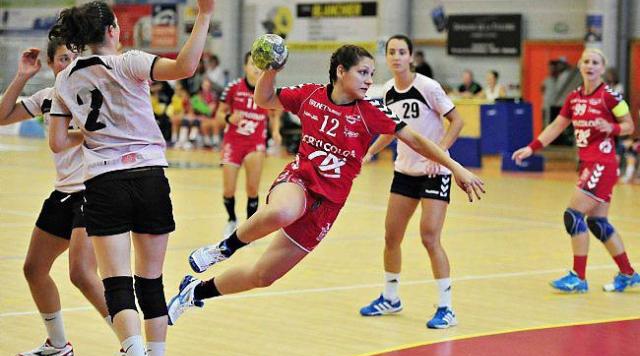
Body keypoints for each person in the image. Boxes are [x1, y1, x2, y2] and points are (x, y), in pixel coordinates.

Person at [166, 44, 485, 326]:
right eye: (363, 72)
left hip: (328, 205)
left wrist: (456, 168)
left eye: (372, 74)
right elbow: (263, 98)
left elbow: (416, 139)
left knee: (263, 276)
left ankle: (195, 291)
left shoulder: (371, 111)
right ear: (340, 71)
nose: (369, 80)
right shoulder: (311, 95)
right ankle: (221, 249)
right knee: (282, 212)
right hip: (299, 182)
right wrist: (271, 71)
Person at [47, 1, 214, 356]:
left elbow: (58, 143)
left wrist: (94, 136)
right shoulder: (129, 62)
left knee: (116, 282)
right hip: (149, 175)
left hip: (104, 181)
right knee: (150, 282)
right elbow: (185, 66)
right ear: (112, 31)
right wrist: (205, 14)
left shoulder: (64, 78)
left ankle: (133, 353)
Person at [0, 39, 115, 356]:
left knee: (81, 273)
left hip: (94, 190)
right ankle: (58, 345)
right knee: (34, 269)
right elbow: (1, 116)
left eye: (76, 57)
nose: (71, 63)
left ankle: (135, 346)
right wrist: (23, 75)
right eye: (63, 58)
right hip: (64, 192)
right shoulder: (47, 97)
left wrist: (71, 135)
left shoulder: (96, 94)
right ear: (51, 64)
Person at [358, 34, 465, 329]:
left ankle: (446, 308)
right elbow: (392, 131)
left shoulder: (428, 87)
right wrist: (370, 152)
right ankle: (391, 297)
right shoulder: (388, 90)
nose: (396, 57)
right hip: (404, 172)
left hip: (434, 172)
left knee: (429, 236)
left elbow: (457, 121)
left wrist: (439, 153)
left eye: (401, 52)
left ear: (411, 57)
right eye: (391, 52)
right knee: (391, 236)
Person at [512, 48, 640, 294]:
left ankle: (578, 277)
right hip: (589, 163)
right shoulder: (574, 98)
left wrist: (610, 127)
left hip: (602, 164)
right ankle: (628, 274)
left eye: (595, 62)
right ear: (580, 66)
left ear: (602, 68)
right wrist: (532, 148)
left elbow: (629, 126)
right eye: (586, 61)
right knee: (598, 222)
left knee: (573, 215)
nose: (590, 66)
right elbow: (557, 125)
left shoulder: (610, 97)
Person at [216, 51, 281, 237]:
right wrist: (229, 117)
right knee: (228, 189)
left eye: (260, 65)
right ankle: (231, 220)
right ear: (245, 66)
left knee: (252, 188)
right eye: (253, 64)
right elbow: (219, 116)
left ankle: (250, 227)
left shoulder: (269, 90)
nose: (256, 68)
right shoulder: (233, 88)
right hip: (233, 142)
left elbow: (276, 113)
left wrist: (275, 131)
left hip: (255, 143)